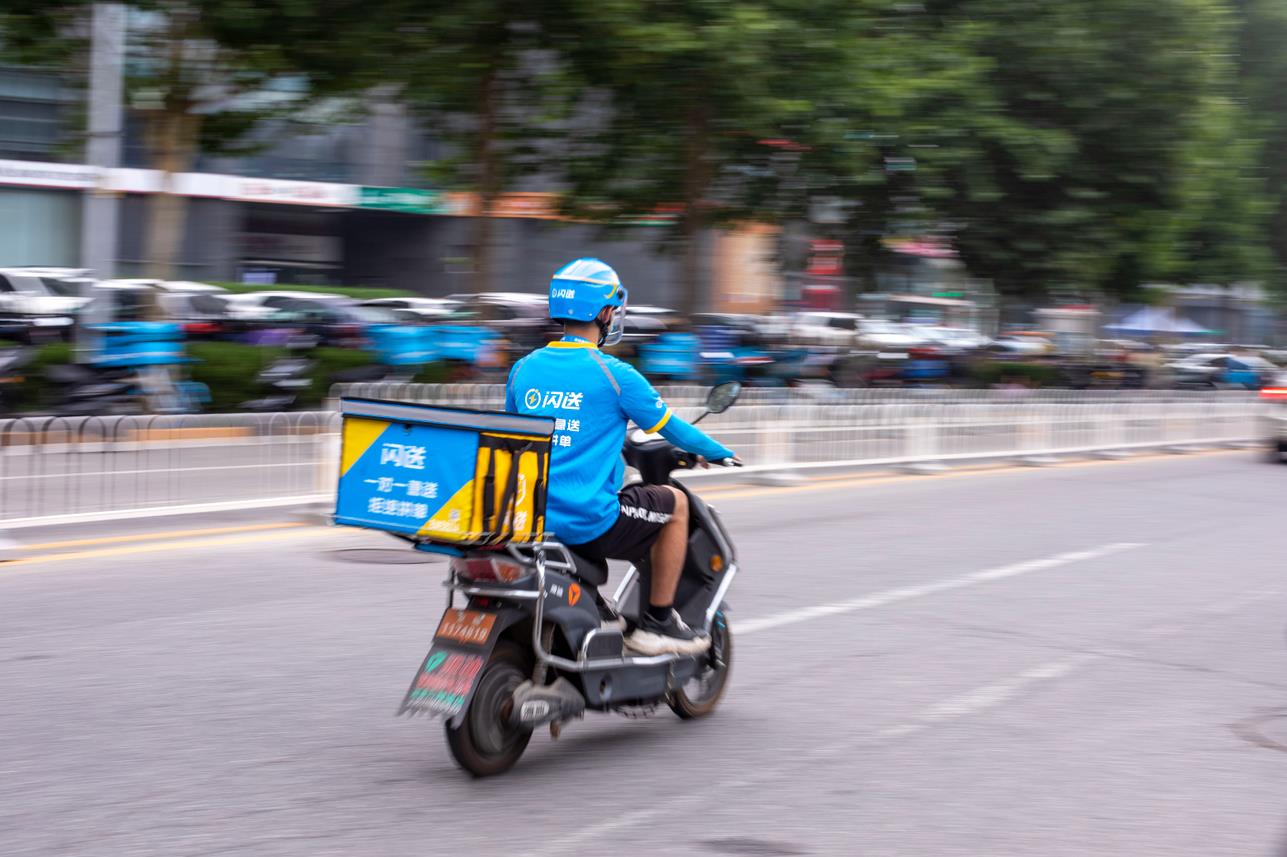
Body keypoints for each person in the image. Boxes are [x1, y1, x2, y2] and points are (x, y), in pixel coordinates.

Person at [505, 259, 739, 656]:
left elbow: (514, 434)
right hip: (586, 521)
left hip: (530, 516)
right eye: (612, 308)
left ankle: (594, 602)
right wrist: (719, 453)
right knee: (676, 505)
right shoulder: (614, 374)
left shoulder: (523, 369)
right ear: (603, 312)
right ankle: (658, 623)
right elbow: (672, 428)